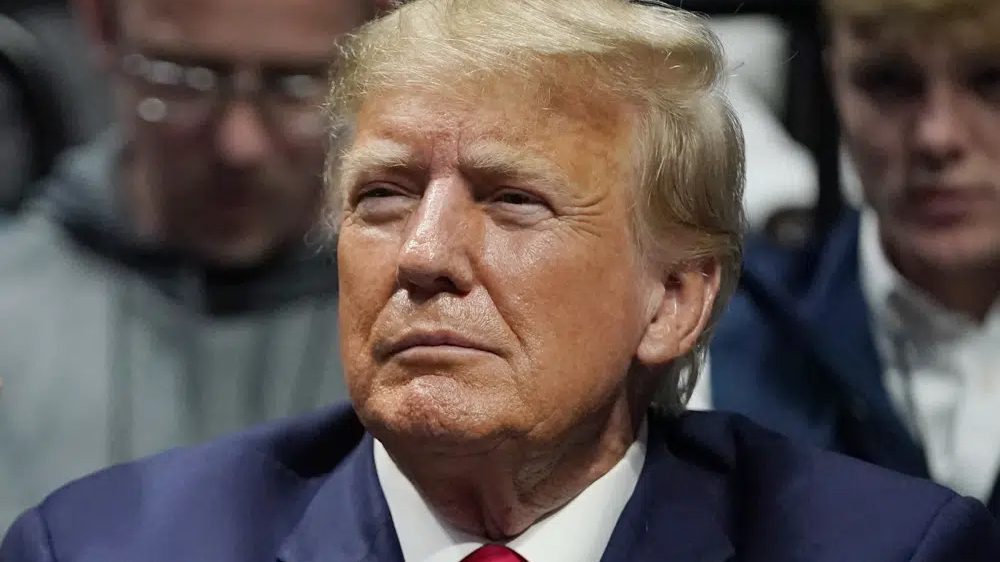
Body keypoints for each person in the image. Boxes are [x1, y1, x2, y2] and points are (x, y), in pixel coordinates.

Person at [4, 0, 1000, 558]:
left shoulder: (887, 551)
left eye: (513, 199)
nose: (424, 254)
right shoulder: (102, 546)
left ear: (675, 298)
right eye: (383, 195)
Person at [0, 0, 376, 530]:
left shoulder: (429, 324)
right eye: (185, 79)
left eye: (296, 83)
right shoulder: (11, 318)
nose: (238, 144)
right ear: (103, 27)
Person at [699, 0, 1000, 516]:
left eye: (993, 80)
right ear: (833, 81)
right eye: (888, 82)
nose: (937, 137)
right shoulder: (722, 338)